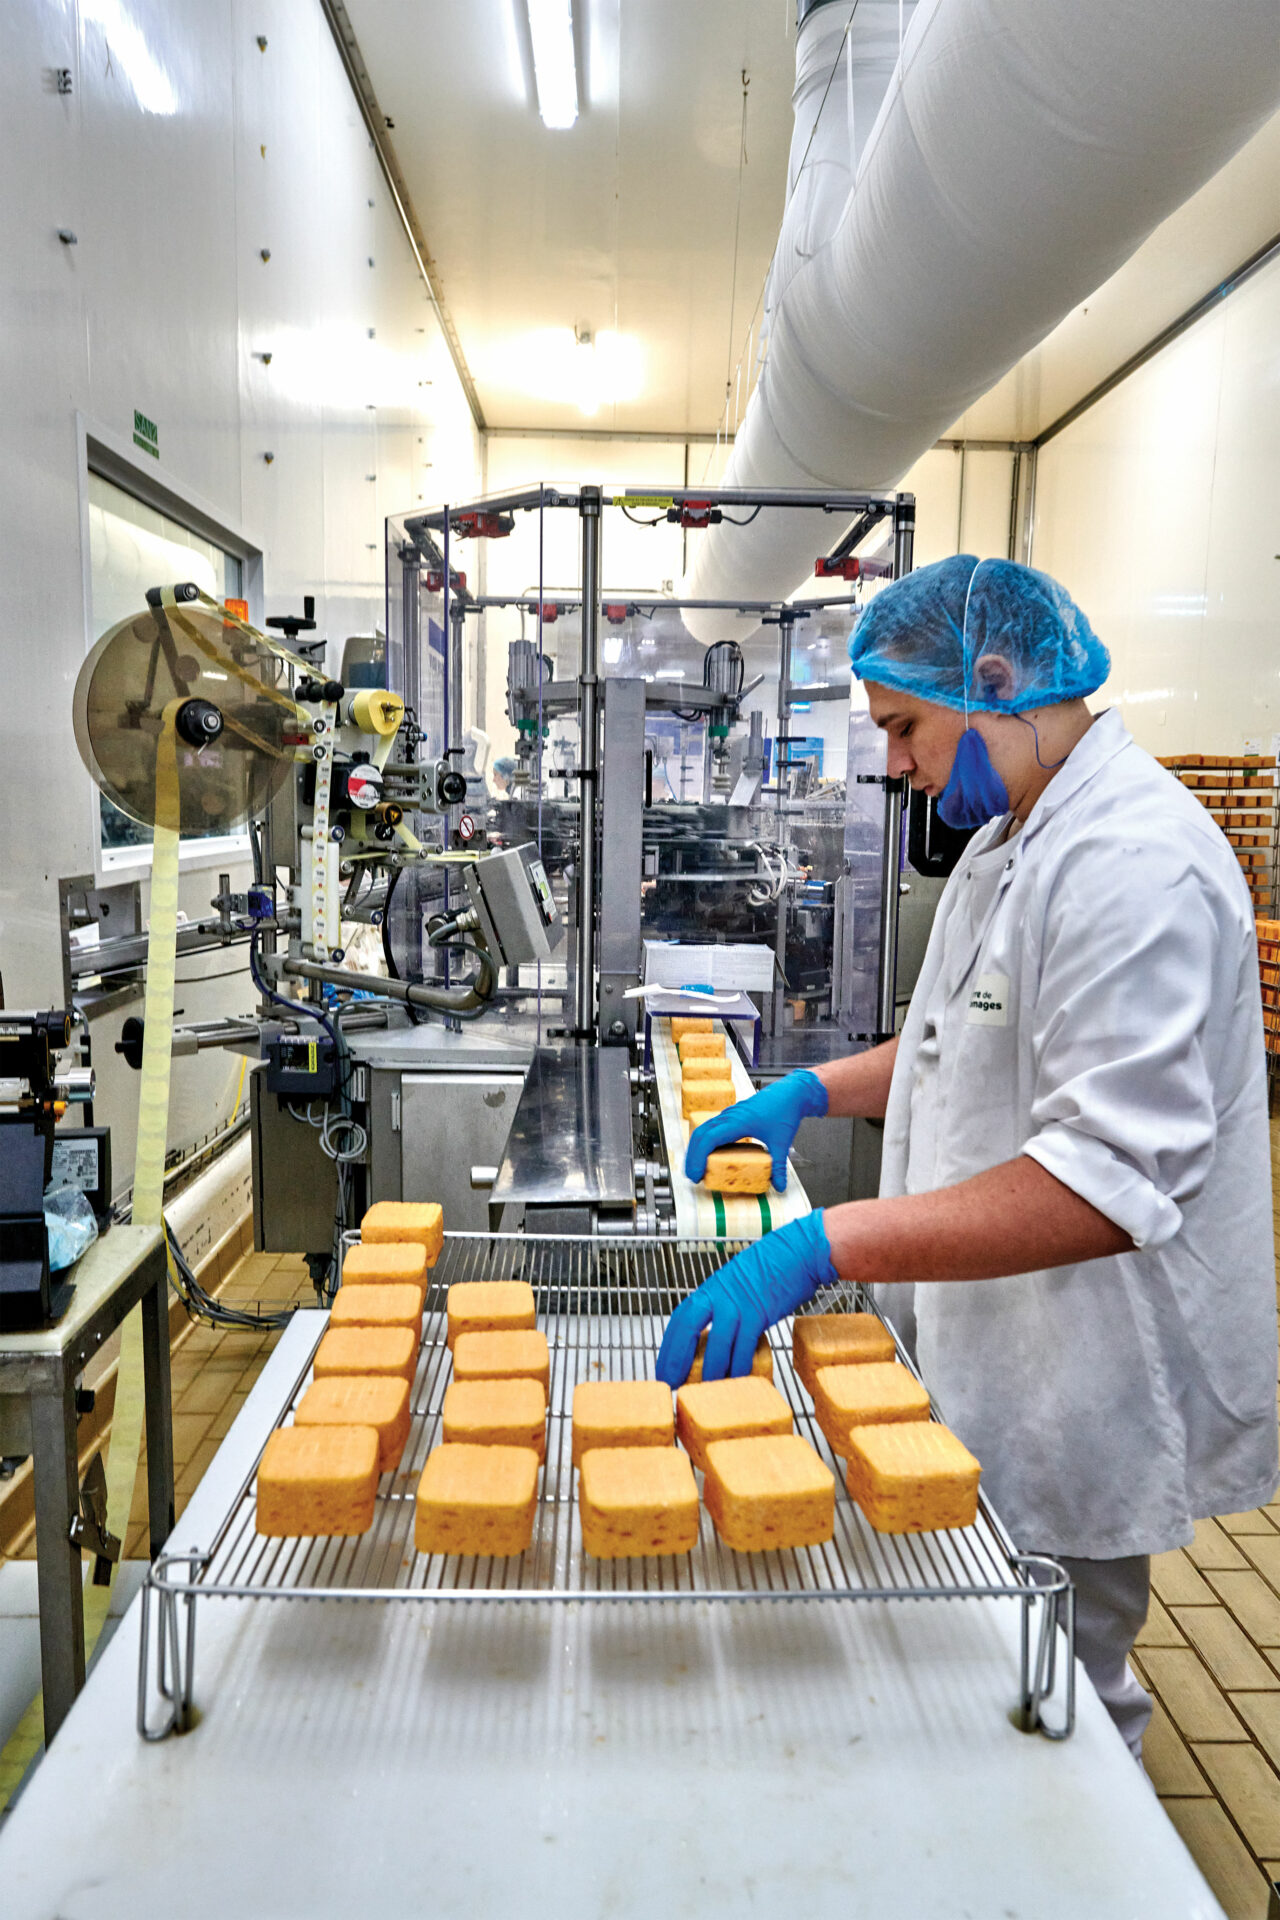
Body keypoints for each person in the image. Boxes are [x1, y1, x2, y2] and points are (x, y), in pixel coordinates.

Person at [657, 554, 1279, 1759]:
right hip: (995, 1332)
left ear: (993, 680)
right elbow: (957, 1038)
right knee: (970, 1662)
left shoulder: (1127, 863)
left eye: (904, 725)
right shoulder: (1016, 832)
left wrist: (820, 1243)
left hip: (1084, 1357)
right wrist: (813, 1089)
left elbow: (1106, 1179)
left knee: (1051, 1683)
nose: (894, 761)